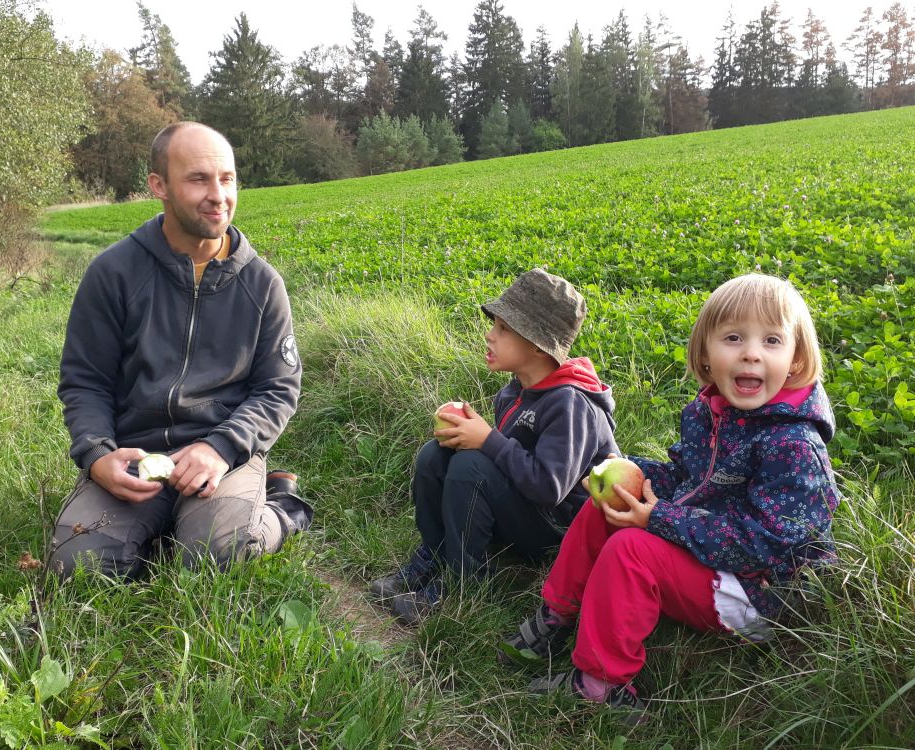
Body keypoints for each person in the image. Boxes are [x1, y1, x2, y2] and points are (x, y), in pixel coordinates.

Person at [501, 273, 840, 718]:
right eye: (734, 338)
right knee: (604, 508)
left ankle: (600, 684)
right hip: (710, 552)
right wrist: (635, 474)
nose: (751, 353)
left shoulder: (793, 445)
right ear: (705, 354)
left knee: (631, 549)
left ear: (796, 360)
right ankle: (558, 616)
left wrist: (659, 518)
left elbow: (767, 546)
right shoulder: (712, 411)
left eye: (772, 341)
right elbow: (687, 475)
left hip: (760, 593)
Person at [49, 122, 311, 581]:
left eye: (227, 179)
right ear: (159, 186)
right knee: (78, 566)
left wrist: (221, 448)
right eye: (198, 179)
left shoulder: (262, 285)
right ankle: (163, 527)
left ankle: (280, 509)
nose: (218, 195)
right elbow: (85, 381)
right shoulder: (113, 273)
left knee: (217, 557)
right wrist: (97, 456)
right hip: (135, 454)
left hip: (221, 455)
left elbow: (278, 388)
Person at [370, 268, 620, 625]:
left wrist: (487, 439)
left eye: (503, 329)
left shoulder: (571, 405)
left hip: (556, 531)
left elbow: (549, 488)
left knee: (470, 468)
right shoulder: (514, 391)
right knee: (435, 456)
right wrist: (476, 439)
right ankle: (435, 555)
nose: (490, 335)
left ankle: (460, 587)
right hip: (524, 510)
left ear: (536, 344)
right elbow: (505, 462)